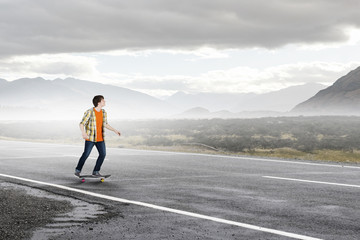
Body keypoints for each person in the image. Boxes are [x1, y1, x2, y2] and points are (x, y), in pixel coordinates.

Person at [75, 95, 121, 177]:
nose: (105, 101)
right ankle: (78, 170)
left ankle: (96, 171)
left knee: (103, 154)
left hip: (100, 138)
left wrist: (115, 130)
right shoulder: (89, 112)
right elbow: (82, 123)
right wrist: (83, 133)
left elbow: (105, 124)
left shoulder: (103, 112)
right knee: (86, 154)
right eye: (103, 100)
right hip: (90, 138)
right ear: (99, 102)